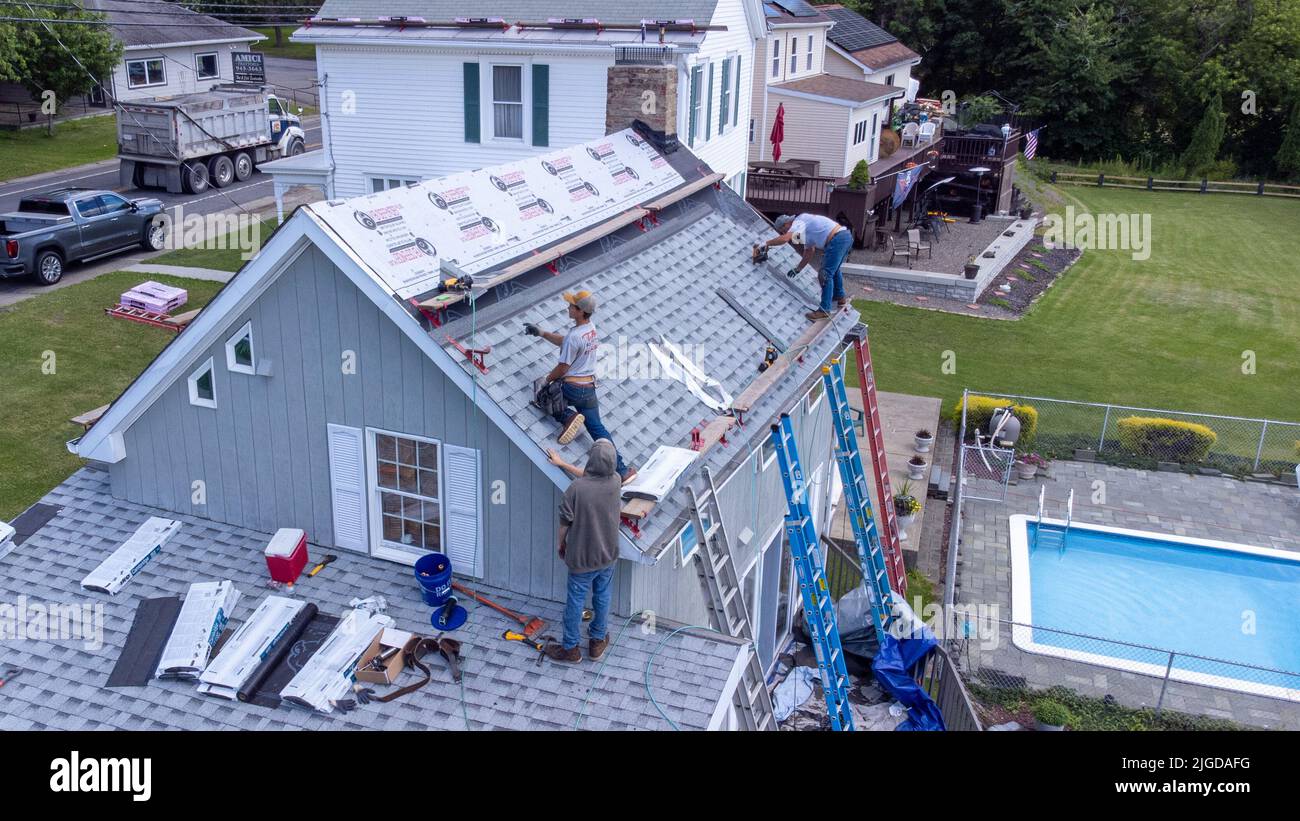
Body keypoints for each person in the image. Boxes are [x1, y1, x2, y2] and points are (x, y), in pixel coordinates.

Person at [525, 290, 636, 483]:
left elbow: (563, 367)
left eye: (571, 306)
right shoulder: (590, 329)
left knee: (543, 397)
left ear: (580, 311)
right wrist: (542, 333)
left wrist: (546, 380)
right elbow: (565, 342)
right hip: (589, 388)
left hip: (572, 388)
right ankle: (623, 470)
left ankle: (568, 416)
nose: (568, 307)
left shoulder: (574, 336)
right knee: (597, 428)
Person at [544, 439, 621, 663]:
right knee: (603, 596)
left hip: (582, 559)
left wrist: (561, 544)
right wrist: (564, 464)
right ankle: (597, 642)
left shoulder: (576, 489)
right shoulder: (615, 481)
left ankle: (571, 649)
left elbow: (564, 523)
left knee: (575, 602)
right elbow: (591, 477)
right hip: (608, 555)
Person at [757, 213, 853, 321]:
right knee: (834, 270)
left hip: (838, 239)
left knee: (825, 274)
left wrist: (766, 243)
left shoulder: (799, 221)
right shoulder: (803, 230)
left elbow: (785, 239)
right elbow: (809, 251)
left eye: (783, 230)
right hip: (844, 237)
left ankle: (824, 310)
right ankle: (839, 297)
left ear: (786, 224)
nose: (784, 233)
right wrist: (798, 269)